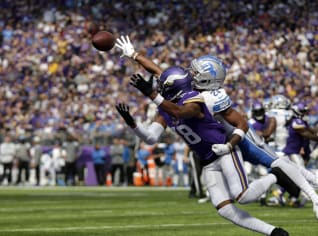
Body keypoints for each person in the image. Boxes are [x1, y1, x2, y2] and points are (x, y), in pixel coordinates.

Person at [115, 36, 318, 220]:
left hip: (239, 137)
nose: (192, 73)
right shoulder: (184, 85)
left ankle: (315, 197)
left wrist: (231, 144)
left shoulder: (211, 96)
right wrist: (133, 54)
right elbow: (159, 71)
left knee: (275, 162)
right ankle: (313, 176)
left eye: (197, 72)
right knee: (272, 165)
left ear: (207, 79)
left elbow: (241, 124)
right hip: (224, 140)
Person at [116, 66, 288, 236]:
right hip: (207, 161)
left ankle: (276, 175)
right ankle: (274, 232)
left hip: (224, 151)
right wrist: (132, 123)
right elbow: (151, 138)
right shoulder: (165, 109)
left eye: (163, 85)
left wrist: (152, 94)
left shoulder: (194, 99)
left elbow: (181, 111)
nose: (159, 88)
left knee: (243, 195)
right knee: (225, 209)